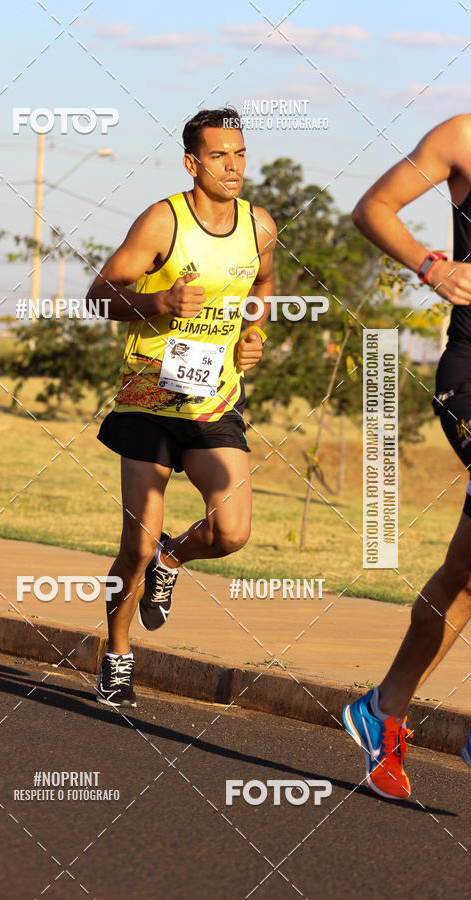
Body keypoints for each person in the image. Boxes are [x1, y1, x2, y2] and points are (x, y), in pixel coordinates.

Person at [86, 108, 276, 707]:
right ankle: (117, 653)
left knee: (231, 531)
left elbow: (263, 285)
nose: (233, 166)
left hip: (214, 402)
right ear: (192, 162)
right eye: (220, 156)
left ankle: (174, 557)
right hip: (149, 396)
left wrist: (254, 335)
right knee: (134, 544)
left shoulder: (259, 226)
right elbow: (98, 297)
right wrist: (160, 298)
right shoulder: (163, 222)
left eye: (240, 154)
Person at [344, 113, 471, 798]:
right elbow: (374, 208)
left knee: (465, 575)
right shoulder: (463, 138)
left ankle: (383, 709)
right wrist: (432, 267)